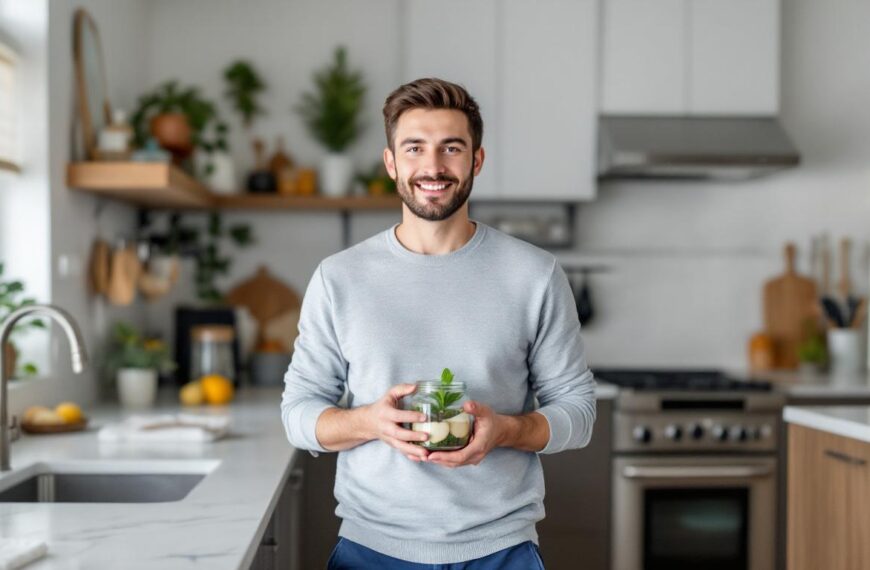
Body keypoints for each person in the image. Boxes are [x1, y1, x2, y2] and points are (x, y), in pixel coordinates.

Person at [281, 77, 596, 569]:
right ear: (391, 163)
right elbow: (297, 414)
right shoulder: (339, 278)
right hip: (372, 551)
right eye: (414, 148)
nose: (432, 167)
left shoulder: (534, 274)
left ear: (477, 160)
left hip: (501, 551)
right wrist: (370, 422)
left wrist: (506, 430)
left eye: (451, 148)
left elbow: (579, 414)